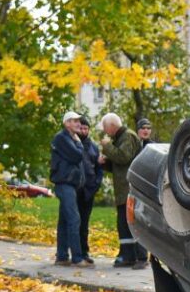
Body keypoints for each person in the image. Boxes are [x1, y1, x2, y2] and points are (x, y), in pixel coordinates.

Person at [98, 112, 143, 268]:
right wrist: (104, 163)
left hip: (130, 189)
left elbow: (124, 156)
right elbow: (119, 164)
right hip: (124, 190)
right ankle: (127, 255)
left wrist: (107, 146)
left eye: (105, 128)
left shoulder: (127, 136)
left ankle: (140, 257)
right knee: (124, 223)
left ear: (112, 126)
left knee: (132, 222)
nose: (105, 132)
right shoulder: (121, 138)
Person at [50, 111, 88, 267]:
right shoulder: (62, 138)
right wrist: (78, 142)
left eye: (79, 121)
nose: (78, 123)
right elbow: (77, 156)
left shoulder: (69, 138)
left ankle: (62, 256)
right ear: (66, 123)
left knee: (65, 221)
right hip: (64, 184)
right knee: (74, 219)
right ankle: (77, 258)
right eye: (74, 121)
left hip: (69, 184)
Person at [74, 116, 101, 265]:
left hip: (89, 191)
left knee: (84, 223)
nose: (84, 131)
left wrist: (96, 184)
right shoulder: (74, 144)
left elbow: (99, 169)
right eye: (81, 128)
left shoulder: (93, 147)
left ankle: (84, 252)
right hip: (76, 189)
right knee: (74, 222)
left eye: (86, 128)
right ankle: (75, 252)